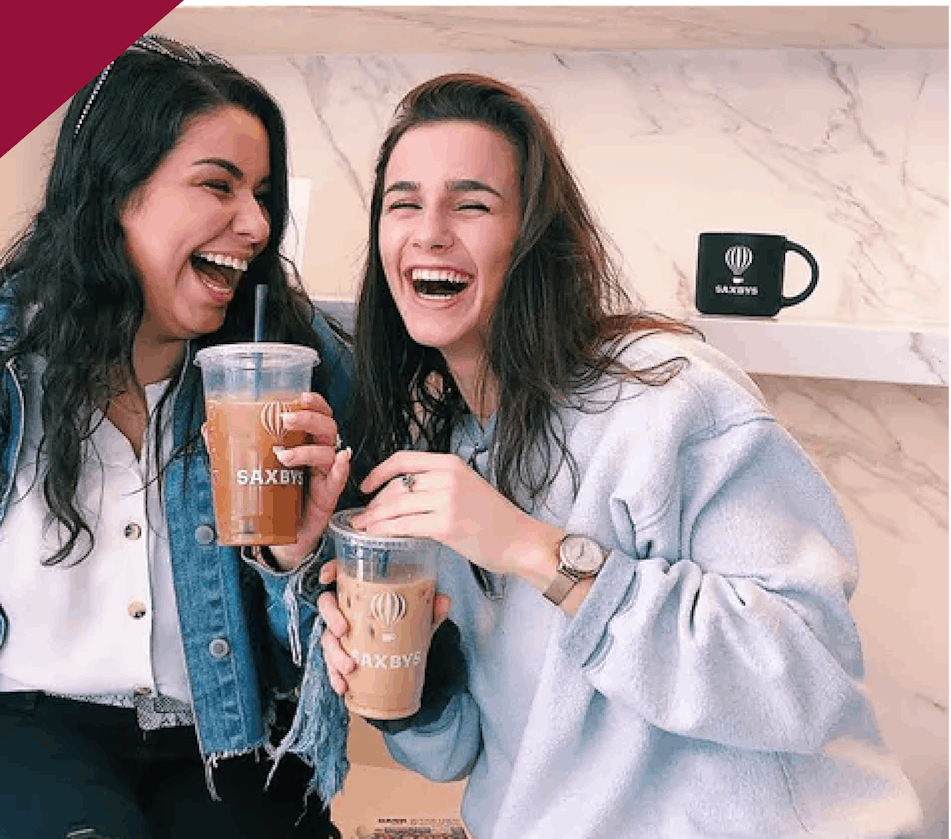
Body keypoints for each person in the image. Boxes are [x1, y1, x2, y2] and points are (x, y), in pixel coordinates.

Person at [317, 73, 923, 839]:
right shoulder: (449, 451)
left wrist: (537, 553)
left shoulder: (671, 399)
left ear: (534, 238)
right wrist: (417, 682)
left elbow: (806, 678)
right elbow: (466, 753)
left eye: (471, 203)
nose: (430, 230)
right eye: (404, 203)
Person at [0, 35, 354, 839]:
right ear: (116, 191)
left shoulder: (296, 374)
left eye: (263, 194)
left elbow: (341, 668)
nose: (257, 224)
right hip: (11, 737)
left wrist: (294, 562)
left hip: (225, 741)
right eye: (218, 186)